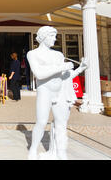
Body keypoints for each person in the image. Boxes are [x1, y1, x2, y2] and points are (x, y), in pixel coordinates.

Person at [27, 26, 88, 160]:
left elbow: (66, 76)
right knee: (41, 122)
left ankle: (61, 152)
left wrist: (80, 69)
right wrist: (61, 67)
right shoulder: (33, 54)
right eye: (52, 36)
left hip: (60, 91)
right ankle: (33, 149)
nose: (55, 39)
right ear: (43, 37)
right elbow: (39, 74)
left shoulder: (58, 55)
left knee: (61, 123)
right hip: (45, 91)